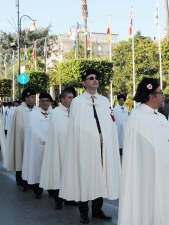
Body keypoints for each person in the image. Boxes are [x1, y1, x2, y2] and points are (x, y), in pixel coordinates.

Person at [118, 78, 169, 225]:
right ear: (151, 96)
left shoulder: (160, 116)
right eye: (160, 92)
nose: (163, 95)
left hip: (166, 174)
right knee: (150, 211)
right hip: (150, 178)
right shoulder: (138, 116)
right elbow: (140, 153)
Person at [59, 69, 121, 224]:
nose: (95, 80)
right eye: (91, 78)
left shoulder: (105, 101)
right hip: (84, 147)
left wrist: (105, 137)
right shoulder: (78, 102)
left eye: (96, 78)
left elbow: (110, 124)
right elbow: (77, 127)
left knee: (100, 177)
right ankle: (83, 212)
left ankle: (97, 209)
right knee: (85, 177)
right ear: (84, 83)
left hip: (103, 147)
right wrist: (94, 136)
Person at [40, 89, 74, 210]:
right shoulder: (56, 113)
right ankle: (58, 200)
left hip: (72, 148)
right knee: (58, 173)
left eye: (72, 97)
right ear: (62, 99)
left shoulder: (75, 111)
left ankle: (70, 198)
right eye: (69, 97)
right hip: (59, 147)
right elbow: (56, 132)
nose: (72, 100)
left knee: (71, 174)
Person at [4, 89, 36, 189]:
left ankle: (32, 181)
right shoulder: (19, 110)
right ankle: (22, 180)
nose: (34, 99)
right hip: (22, 138)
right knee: (21, 158)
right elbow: (19, 127)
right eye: (32, 97)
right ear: (26, 98)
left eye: (35, 97)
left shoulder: (36, 109)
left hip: (33, 140)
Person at [22, 92, 52, 199]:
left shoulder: (54, 113)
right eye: (42, 101)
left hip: (51, 146)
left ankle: (51, 191)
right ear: (39, 102)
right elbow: (33, 129)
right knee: (37, 168)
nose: (44, 103)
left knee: (50, 169)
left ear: (50, 102)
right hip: (37, 145)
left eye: (47, 101)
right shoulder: (33, 114)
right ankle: (37, 190)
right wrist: (43, 138)